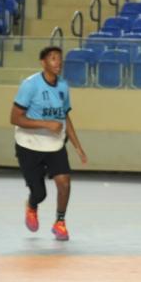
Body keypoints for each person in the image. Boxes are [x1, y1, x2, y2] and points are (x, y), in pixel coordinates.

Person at [9, 46, 87, 241]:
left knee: (65, 183)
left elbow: (65, 118)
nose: (58, 62)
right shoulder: (30, 85)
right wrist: (45, 124)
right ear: (43, 62)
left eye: (60, 59)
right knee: (40, 193)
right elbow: (15, 118)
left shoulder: (63, 86)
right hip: (29, 144)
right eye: (53, 58)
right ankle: (32, 205)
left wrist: (78, 146)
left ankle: (60, 222)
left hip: (54, 144)